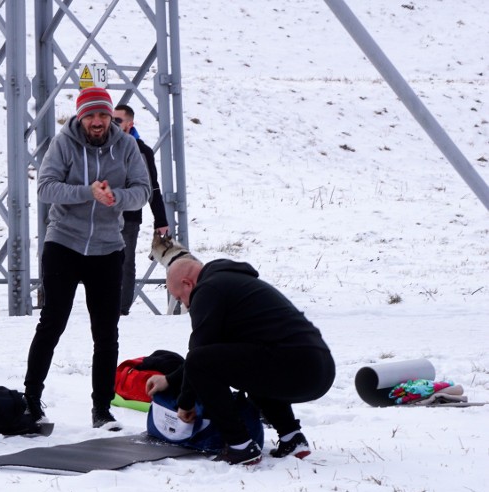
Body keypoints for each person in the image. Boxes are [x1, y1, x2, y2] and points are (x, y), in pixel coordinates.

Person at [24, 86, 151, 430]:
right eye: (91, 115)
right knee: (52, 323)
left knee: (106, 333)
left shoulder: (127, 146)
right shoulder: (63, 143)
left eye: (103, 115)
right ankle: (31, 400)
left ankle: (102, 409)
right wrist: (86, 192)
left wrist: (118, 198)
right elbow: (45, 188)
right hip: (64, 243)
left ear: (112, 117)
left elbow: (143, 190)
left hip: (108, 248)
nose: (97, 122)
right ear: (80, 117)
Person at [146, 257, 335, 464]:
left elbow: (198, 356)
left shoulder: (209, 290)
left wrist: (185, 402)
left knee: (205, 361)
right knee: (247, 361)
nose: (185, 305)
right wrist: (171, 380)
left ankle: (240, 445)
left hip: (295, 366)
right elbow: (217, 354)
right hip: (320, 368)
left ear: (187, 283)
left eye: (180, 298)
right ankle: (291, 437)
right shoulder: (232, 282)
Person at [112, 104, 169, 315]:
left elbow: (152, 187)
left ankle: (121, 309)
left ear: (130, 123)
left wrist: (160, 220)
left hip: (129, 216)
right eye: (111, 119)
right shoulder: (102, 146)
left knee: (125, 262)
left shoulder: (141, 150)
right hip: (101, 215)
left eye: (118, 120)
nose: (113, 124)